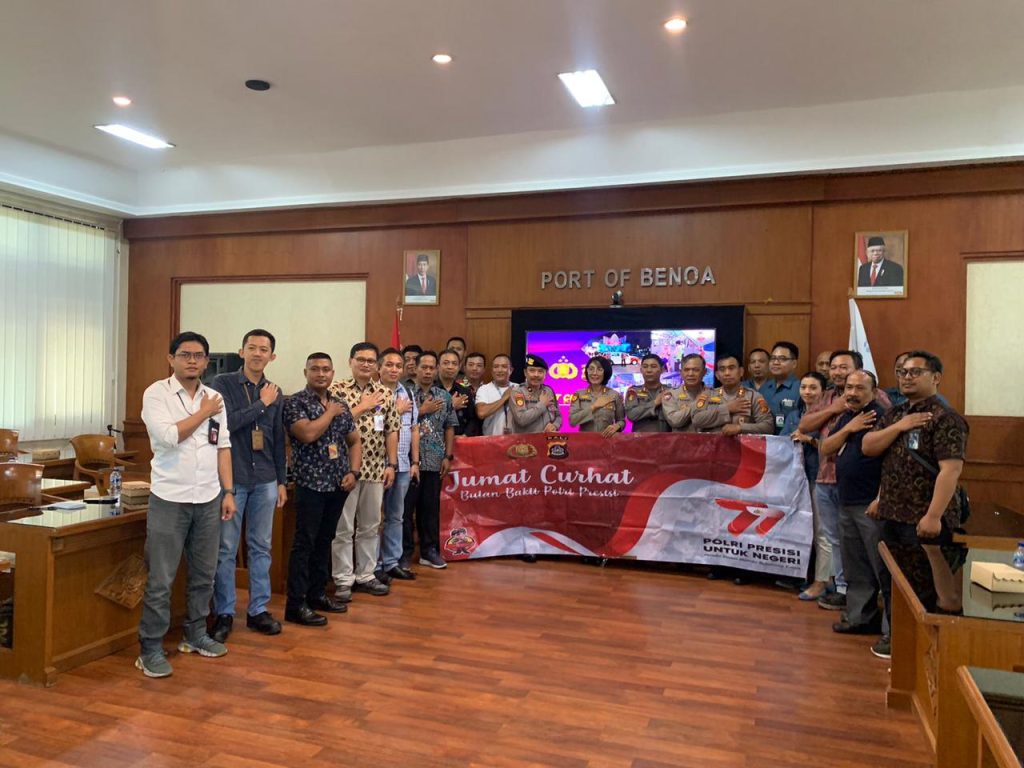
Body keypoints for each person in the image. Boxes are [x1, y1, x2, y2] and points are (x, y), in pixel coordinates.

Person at [136, 331, 236, 678]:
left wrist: (228, 491)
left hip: (208, 498)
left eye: (198, 356)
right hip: (170, 499)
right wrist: (203, 412)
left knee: (204, 575)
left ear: (206, 361)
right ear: (171, 359)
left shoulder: (215, 397)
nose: (192, 361)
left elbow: (223, 446)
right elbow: (168, 437)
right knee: (161, 580)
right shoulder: (156, 394)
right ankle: (150, 648)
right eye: (185, 355)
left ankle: (195, 635)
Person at [863, 350, 969, 659]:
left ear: (935, 377)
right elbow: (870, 448)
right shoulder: (894, 414)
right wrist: (900, 426)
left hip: (924, 519)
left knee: (927, 586)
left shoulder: (946, 418)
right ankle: (900, 640)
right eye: (903, 372)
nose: (907, 377)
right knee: (893, 582)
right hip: (890, 514)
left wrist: (933, 516)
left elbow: (951, 471)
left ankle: (930, 650)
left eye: (915, 372)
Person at [208, 329, 287, 643]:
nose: (257, 353)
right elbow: (226, 423)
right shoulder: (222, 384)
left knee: (261, 547)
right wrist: (262, 405)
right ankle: (225, 612)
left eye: (263, 349)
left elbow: (278, 439)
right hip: (233, 480)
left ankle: (258, 610)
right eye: (251, 348)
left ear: (272, 356)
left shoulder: (276, 392)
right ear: (241, 352)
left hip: (265, 479)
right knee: (226, 549)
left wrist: (281, 481)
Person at [799, 350, 892, 612]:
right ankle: (843, 590)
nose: (838, 372)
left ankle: (881, 601)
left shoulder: (876, 401)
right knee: (836, 539)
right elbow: (807, 427)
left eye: (844, 367)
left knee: (870, 545)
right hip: (826, 477)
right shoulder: (831, 398)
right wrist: (836, 407)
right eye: (834, 367)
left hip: (863, 488)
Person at [283, 353, 361, 627]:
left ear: (332, 373)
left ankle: (317, 595)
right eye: (315, 369)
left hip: (338, 484)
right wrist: (329, 413)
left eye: (326, 369)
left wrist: (353, 472)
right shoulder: (295, 403)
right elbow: (307, 434)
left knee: (325, 541)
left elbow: (354, 440)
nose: (321, 374)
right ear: (305, 372)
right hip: (310, 485)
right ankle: (296, 604)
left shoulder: (340, 404)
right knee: (304, 543)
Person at [819, 370, 890, 647]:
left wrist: (881, 498)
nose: (852, 393)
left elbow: (892, 464)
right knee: (856, 566)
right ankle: (861, 617)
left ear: (874, 391)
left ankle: (891, 630)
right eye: (849, 387)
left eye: (860, 388)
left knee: (881, 567)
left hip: (871, 504)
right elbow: (826, 447)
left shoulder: (882, 417)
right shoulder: (848, 417)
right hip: (846, 501)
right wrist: (849, 428)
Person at [328, 342, 400, 601]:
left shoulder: (385, 393)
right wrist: (362, 406)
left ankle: (366, 575)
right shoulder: (336, 390)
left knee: (371, 525)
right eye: (361, 359)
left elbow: (392, 429)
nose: (366, 364)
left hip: (376, 468)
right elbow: (332, 424)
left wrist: (392, 464)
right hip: (345, 470)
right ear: (350, 361)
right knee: (343, 527)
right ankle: (343, 579)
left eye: (371, 361)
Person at [403, 351, 458, 570]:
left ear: (436, 370)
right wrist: (421, 410)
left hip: (435, 461)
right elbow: (397, 422)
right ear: (415, 368)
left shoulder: (443, 396)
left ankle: (429, 551)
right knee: (405, 510)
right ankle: (405, 553)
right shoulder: (405, 394)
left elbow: (450, 426)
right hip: (408, 462)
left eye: (431, 368)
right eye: (423, 367)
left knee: (430, 509)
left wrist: (448, 456)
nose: (427, 371)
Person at [781, 371, 830, 601]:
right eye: (804, 387)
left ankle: (822, 581)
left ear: (823, 391)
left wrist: (809, 439)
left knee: (822, 533)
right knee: (800, 528)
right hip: (795, 480)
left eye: (813, 388)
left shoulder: (830, 416)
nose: (807, 392)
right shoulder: (794, 415)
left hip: (820, 477)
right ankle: (798, 576)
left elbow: (834, 446)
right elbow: (781, 442)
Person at [377, 348, 420, 582]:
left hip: (403, 464)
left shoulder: (407, 392)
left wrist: (415, 461)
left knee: (396, 516)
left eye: (398, 366)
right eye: (389, 365)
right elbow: (374, 425)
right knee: (374, 519)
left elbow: (414, 428)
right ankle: (373, 566)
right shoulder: (373, 393)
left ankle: (391, 562)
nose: (394, 369)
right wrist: (396, 410)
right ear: (379, 367)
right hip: (377, 465)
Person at [692, 354, 774, 435]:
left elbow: (768, 427)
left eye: (731, 368)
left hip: (741, 443)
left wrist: (740, 428)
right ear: (717, 375)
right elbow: (696, 420)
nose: (727, 373)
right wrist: (727, 408)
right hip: (712, 443)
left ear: (741, 372)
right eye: (722, 369)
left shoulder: (753, 396)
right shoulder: (708, 395)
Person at [569, 356, 625, 436]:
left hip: (607, 440)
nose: (594, 373)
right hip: (585, 440)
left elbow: (621, 421)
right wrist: (594, 407)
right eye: (591, 369)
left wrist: (617, 426)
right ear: (587, 371)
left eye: (599, 369)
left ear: (606, 372)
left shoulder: (614, 395)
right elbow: (572, 421)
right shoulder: (579, 394)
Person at [508, 355, 562, 433]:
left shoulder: (548, 391)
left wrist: (555, 425)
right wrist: (542, 404)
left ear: (545, 374)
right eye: (532, 371)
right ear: (525, 372)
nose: (536, 375)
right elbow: (521, 419)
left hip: (547, 438)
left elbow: (558, 416)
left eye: (540, 371)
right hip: (526, 440)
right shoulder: (518, 392)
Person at [759, 341, 801, 434]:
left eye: (782, 359)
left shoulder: (800, 389)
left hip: (789, 439)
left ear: (794, 363)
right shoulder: (764, 388)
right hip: (764, 439)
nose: (775, 362)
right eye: (773, 358)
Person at [663, 354, 712, 432]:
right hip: (681, 440)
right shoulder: (671, 395)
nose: (690, 374)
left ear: (704, 372)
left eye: (696, 370)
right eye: (686, 370)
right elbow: (674, 421)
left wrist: (685, 411)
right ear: (681, 372)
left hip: (708, 439)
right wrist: (698, 403)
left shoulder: (714, 394)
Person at [624, 354, 671, 433]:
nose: (649, 370)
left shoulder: (670, 391)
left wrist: (642, 412)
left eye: (653, 366)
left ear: (662, 369)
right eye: (645, 367)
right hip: (640, 439)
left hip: (665, 438)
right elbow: (631, 415)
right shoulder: (633, 391)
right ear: (641, 370)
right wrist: (655, 403)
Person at [438, 348, 477, 436]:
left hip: (460, 440)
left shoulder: (465, 391)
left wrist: (465, 435)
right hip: (436, 440)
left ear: (459, 367)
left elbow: (473, 419)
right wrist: (451, 406)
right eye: (446, 363)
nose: (450, 367)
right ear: (438, 366)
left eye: (454, 363)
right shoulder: (431, 390)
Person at [476, 354, 514, 436]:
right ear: (492, 371)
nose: (499, 370)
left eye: (504, 366)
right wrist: (504, 398)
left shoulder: (518, 388)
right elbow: (481, 413)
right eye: (496, 367)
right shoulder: (484, 389)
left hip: (515, 438)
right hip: (491, 439)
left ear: (511, 370)